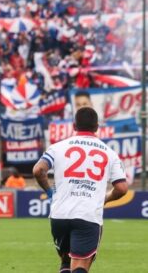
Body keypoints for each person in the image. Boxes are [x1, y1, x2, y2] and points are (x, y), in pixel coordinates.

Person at [33, 107, 128, 273]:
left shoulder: (58, 147)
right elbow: (121, 188)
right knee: (80, 266)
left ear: (74, 126)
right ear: (97, 127)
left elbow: (38, 170)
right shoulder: (109, 153)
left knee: (65, 262)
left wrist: (50, 193)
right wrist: (105, 198)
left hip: (59, 214)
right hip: (87, 214)